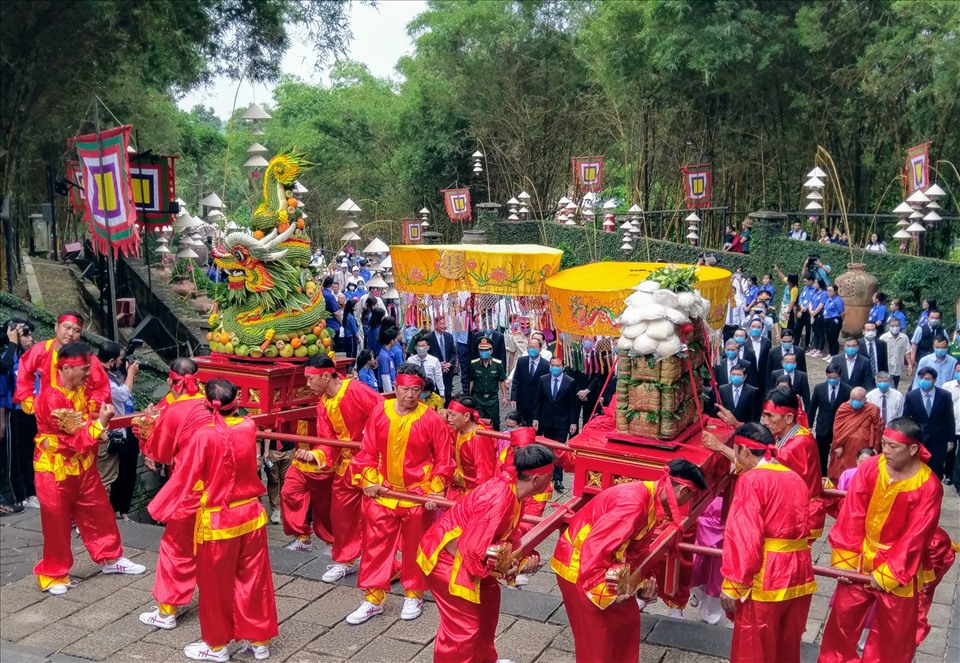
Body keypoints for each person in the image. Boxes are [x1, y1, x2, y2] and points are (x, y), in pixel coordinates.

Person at [147, 379, 278, 662]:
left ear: (207, 404)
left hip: (219, 521)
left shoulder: (204, 436)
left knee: (215, 587)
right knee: (254, 580)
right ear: (237, 402)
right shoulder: (248, 426)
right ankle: (259, 641)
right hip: (252, 516)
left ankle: (217, 646)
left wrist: (160, 507)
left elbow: (184, 476)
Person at [551, 459, 707, 663]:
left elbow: (636, 548)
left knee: (626, 622)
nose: (687, 502)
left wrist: (641, 580)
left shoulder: (650, 497)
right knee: (598, 642)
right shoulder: (634, 504)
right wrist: (605, 592)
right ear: (683, 490)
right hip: (581, 567)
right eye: (691, 496)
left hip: (604, 565)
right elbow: (595, 547)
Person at [819, 418, 943, 663]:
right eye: (883, 443)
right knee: (841, 623)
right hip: (860, 557)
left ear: (913, 449)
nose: (885, 450)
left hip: (900, 568)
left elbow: (916, 536)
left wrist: (889, 573)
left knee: (892, 635)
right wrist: (845, 562)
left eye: (892, 446)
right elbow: (852, 514)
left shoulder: (929, 486)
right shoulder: (870, 467)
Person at [417, 444, 556, 663]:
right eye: (550, 476)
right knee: (464, 629)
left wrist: (521, 559)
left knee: (487, 608)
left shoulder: (513, 491)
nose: (552, 482)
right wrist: (506, 569)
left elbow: (505, 536)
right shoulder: (499, 498)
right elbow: (472, 549)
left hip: (469, 556)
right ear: (537, 480)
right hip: (448, 561)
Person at [31, 343, 146, 595]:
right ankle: (53, 573)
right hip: (55, 469)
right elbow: (71, 440)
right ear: (66, 368)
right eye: (84, 369)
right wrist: (100, 425)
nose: (88, 374)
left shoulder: (81, 390)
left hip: (83, 465)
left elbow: (83, 423)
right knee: (57, 522)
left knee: (99, 511)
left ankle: (111, 557)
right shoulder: (51, 398)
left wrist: (96, 428)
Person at [346, 362, 454, 625]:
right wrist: (368, 480)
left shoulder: (431, 419)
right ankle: (373, 598)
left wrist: (435, 492)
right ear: (395, 387)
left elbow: (444, 460)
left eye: (416, 390)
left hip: (418, 494)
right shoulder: (380, 412)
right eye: (405, 389)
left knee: (415, 546)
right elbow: (368, 451)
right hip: (384, 491)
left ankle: (414, 594)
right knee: (375, 546)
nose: (410, 395)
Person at [719, 423, 816, 663]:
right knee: (786, 647)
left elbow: (745, 536)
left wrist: (733, 585)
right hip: (800, 572)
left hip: (766, 575)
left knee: (754, 649)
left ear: (744, 451)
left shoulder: (751, 480)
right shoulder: (795, 477)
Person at [137, 359, 209, 630]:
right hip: (219, 486)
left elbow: (160, 453)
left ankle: (167, 610)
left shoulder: (174, 410)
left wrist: (147, 432)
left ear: (170, 381)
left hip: (190, 487)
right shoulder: (212, 403)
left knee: (175, 547)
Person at [305, 355, 383, 584]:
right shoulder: (323, 404)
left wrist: (371, 443)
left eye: (310, 379)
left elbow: (383, 415)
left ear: (325, 376)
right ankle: (344, 560)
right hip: (345, 465)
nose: (307, 384)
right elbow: (326, 439)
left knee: (376, 518)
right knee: (341, 516)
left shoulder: (356, 390)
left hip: (371, 463)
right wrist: (316, 455)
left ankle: (386, 565)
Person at [14, 311, 111, 416]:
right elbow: (24, 372)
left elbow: (102, 388)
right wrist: (29, 402)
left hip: (77, 416)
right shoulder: (41, 350)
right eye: (67, 328)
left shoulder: (88, 358)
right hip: (46, 413)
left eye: (76, 330)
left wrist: (90, 408)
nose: (70, 334)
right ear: (56, 327)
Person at [759, 389, 824, 540]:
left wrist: (723, 448)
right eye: (763, 415)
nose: (765, 421)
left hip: (801, 515)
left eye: (770, 416)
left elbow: (765, 462)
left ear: (788, 417)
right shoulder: (784, 434)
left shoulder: (801, 442)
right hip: (793, 510)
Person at [95, 342, 138, 517]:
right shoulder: (102, 377)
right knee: (107, 477)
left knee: (119, 474)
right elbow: (122, 395)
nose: (122, 362)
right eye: (120, 359)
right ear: (112, 361)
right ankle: (102, 515)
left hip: (117, 429)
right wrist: (131, 374)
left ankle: (115, 511)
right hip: (108, 431)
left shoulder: (107, 373)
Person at [1, 318, 37, 508]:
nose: (30, 339)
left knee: (33, 453)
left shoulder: (30, 358)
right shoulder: (7, 358)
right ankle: (19, 495)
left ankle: (33, 493)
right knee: (16, 456)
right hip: (14, 412)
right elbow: (3, 389)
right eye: (25, 334)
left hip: (33, 411)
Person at [534, 356, 579, 492]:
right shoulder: (543, 379)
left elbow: (573, 404)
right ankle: (547, 475)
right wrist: (536, 418)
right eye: (552, 365)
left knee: (559, 449)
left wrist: (573, 422)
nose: (555, 368)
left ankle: (558, 478)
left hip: (562, 421)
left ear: (563, 367)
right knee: (548, 448)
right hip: (546, 420)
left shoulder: (569, 381)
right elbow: (538, 401)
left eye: (557, 366)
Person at [902, 367, 956, 479]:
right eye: (921, 378)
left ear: (934, 380)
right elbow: (906, 418)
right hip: (918, 441)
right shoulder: (912, 396)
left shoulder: (944, 395)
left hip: (938, 441)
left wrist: (950, 440)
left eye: (927, 379)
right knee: (917, 471)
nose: (923, 381)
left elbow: (949, 418)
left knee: (936, 472)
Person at [445, 395, 497, 503]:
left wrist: (477, 501)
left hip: (472, 495)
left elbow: (484, 476)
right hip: (457, 489)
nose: (449, 419)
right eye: (448, 414)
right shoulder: (459, 430)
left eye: (453, 415)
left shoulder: (479, 439)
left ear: (466, 416)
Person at [827, 387, 883, 481]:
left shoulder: (872, 409)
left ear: (865, 399)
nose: (854, 402)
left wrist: (875, 447)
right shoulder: (844, 408)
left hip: (863, 447)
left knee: (861, 472)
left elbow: (878, 429)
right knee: (840, 472)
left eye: (858, 400)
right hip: (844, 448)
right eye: (852, 399)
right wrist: (837, 445)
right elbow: (837, 427)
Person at [809, 364, 852, 475]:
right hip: (822, 427)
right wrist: (809, 425)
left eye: (835, 378)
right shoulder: (819, 388)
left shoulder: (847, 390)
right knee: (821, 455)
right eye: (830, 377)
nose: (832, 380)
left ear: (840, 376)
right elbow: (813, 408)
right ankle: (822, 476)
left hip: (839, 429)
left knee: (838, 454)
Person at [469, 337, 508, 431]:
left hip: (492, 399)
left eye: (486, 350)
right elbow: (471, 380)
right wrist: (469, 396)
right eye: (481, 350)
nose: (484, 352)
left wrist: (504, 397)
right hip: (478, 398)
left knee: (495, 423)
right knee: (479, 422)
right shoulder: (474, 364)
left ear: (491, 351)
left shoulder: (497, 364)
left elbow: (502, 381)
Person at [509, 337, 549, 426]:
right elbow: (516, 380)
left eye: (534, 347)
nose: (531, 349)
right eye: (529, 347)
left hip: (536, 403)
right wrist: (513, 398)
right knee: (522, 426)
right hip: (522, 401)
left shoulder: (546, 365)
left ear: (540, 349)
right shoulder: (521, 361)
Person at [426, 316, 457, 407]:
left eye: (445, 324)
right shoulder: (428, 338)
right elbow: (427, 356)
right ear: (435, 325)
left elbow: (453, 353)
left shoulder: (449, 336)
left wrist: (449, 363)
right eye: (442, 324)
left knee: (448, 394)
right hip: (435, 372)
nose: (445, 326)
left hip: (447, 371)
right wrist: (438, 364)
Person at [408, 334, 444, 400]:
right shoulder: (410, 360)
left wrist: (442, 394)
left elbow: (438, 378)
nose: (421, 348)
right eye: (419, 346)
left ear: (428, 347)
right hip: (415, 392)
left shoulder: (434, 360)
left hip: (430, 392)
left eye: (423, 346)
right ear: (415, 347)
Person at [880, 317, 911, 388]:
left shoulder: (904, 338)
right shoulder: (883, 338)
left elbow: (907, 351)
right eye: (893, 326)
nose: (895, 328)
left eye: (897, 325)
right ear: (889, 326)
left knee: (895, 386)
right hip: (887, 368)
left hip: (898, 368)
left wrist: (910, 365)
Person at [943, 367, 960, 488]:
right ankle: (948, 474)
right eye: (958, 371)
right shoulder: (947, 386)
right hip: (951, 425)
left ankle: (957, 478)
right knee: (949, 452)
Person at [321, 276, 344, 353]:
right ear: (331, 285)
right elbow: (336, 313)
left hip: (322, 322)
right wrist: (341, 322)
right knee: (333, 348)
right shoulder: (330, 296)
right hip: (332, 324)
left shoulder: (320, 293)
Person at [822, 284, 845, 360]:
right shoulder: (828, 299)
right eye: (827, 290)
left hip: (834, 320)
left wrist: (840, 321)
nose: (828, 292)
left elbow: (842, 312)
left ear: (835, 291)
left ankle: (834, 355)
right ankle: (830, 353)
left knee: (834, 338)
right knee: (829, 338)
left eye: (830, 290)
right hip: (827, 319)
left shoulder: (838, 300)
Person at [376, 325, 399, 392]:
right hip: (387, 388)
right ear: (392, 341)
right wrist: (390, 393)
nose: (396, 340)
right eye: (395, 339)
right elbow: (385, 376)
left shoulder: (388, 353)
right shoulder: (384, 356)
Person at [794, 277, 816, 349]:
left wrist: (806, 307)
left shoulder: (815, 289)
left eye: (806, 281)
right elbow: (801, 298)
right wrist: (801, 306)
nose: (804, 283)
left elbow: (812, 300)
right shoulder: (805, 288)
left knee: (808, 328)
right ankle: (795, 343)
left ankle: (807, 345)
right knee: (797, 327)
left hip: (809, 311)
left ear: (810, 281)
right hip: (802, 310)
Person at [808, 279, 828, 357]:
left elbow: (821, 305)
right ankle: (815, 348)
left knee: (820, 332)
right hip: (813, 314)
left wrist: (814, 312)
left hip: (819, 314)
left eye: (816, 283)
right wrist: (811, 311)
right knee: (815, 332)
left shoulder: (824, 293)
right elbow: (810, 302)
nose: (814, 284)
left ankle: (820, 350)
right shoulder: (815, 292)